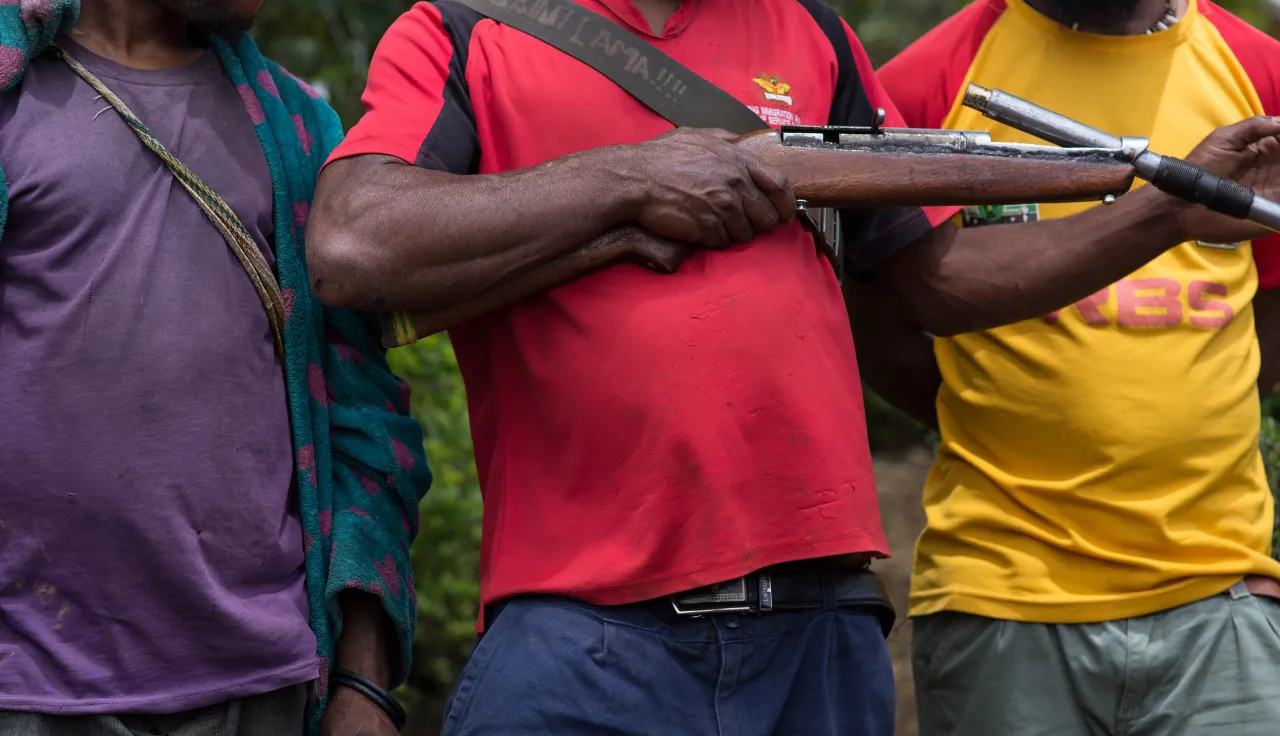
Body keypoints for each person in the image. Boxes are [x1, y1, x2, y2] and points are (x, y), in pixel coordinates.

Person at [307, 0, 1280, 733]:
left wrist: (1154, 209)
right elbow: (355, 242)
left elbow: (935, 282)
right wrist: (631, 176)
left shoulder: (814, 33)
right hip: (585, 632)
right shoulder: (467, 28)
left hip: (821, 626)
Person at [0, 1, 430, 735]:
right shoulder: (13, 96)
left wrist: (364, 680)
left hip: (264, 687)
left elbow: (363, 421)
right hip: (28, 687)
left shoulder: (299, 132)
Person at [869, 0, 1280, 733]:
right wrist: (992, 411)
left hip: (1223, 595)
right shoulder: (928, 79)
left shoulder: (1258, 69)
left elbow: (1274, 304)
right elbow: (881, 315)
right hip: (1002, 589)